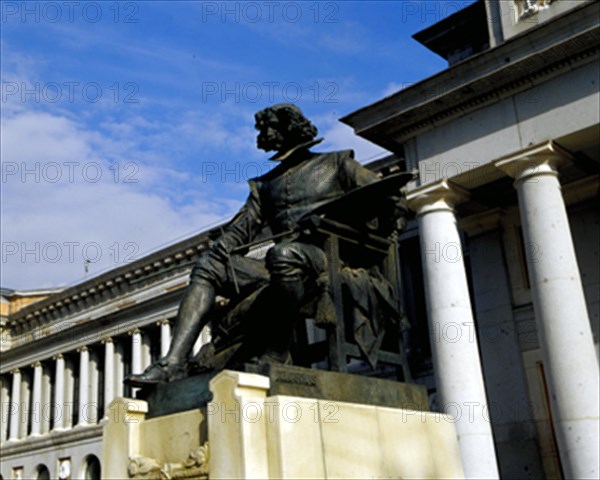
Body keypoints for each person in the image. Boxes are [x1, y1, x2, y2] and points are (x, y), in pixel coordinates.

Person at [125, 103, 396, 386]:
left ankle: (277, 352)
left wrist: (368, 231)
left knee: (282, 253)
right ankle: (173, 364)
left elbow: (389, 200)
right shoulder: (266, 185)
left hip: (330, 258)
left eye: (270, 128)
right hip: (282, 263)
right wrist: (220, 249)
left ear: (290, 128)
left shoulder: (338, 163)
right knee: (209, 265)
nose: (265, 135)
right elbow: (240, 231)